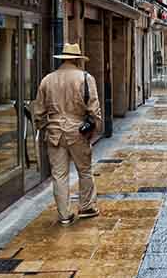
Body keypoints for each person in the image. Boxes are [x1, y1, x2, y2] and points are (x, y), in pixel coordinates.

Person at [32, 43, 103, 225]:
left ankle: (64, 214)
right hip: (78, 131)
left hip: (54, 132)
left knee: (59, 174)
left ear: (63, 59)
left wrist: (44, 127)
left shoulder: (47, 79)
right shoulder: (85, 78)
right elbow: (94, 108)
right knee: (84, 170)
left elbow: (38, 111)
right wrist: (96, 128)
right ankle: (86, 207)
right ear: (77, 60)